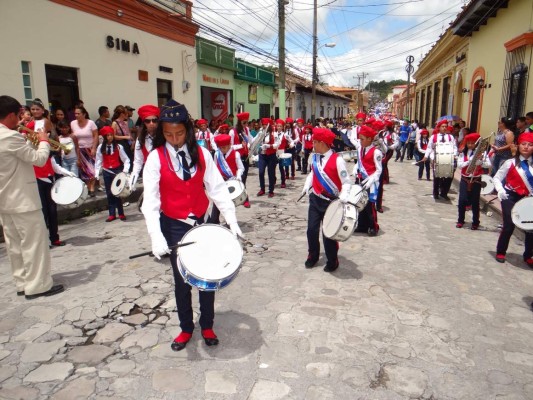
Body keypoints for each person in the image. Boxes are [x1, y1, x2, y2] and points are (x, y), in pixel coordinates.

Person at [141, 99, 242, 351]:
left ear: (187, 130)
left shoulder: (203, 153)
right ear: (161, 133)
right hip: (173, 224)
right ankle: (186, 328)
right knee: (181, 280)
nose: (174, 139)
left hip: (202, 222)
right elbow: (151, 202)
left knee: (208, 275)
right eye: (168, 134)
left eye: (179, 133)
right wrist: (156, 237)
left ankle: (207, 324)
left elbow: (217, 189)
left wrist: (232, 220)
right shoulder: (155, 158)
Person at [0, 95, 64, 299]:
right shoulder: (10, 137)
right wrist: (43, 141)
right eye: (18, 116)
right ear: (10, 115)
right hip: (23, 200)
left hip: (5, 200)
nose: (20, 120)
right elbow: (38, 159)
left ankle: (22, 282)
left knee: (15, 245)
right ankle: (38, 286)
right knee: (34, 244)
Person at [301, 128, 351, 272]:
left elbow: (346, 182)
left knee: (328, 234)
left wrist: (343, 197)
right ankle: (313, 255)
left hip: (331, 203)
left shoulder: (338, 160)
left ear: (322, 143)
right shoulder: (315, 158)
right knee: (311, 230)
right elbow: (312, 174)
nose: (313, 145)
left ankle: (332, 260)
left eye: (315, 142)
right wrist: (306, 186)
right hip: (315, 200)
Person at [493, 132, 533, 265]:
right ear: (518, 146)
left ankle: (528, 255)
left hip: (528, 199)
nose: (526, 147)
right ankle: (501, 251)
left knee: (530, 228)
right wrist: (500, 190)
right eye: (524, 144)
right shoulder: (510, 163)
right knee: (509, 226)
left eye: (530, 145)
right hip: (510, 196)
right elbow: (497, 178)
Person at [94, 126, 130, 222]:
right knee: (109, 193)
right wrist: (97, 173)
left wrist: (125, 170)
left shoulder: (118, 147)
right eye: (107, 135)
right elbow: (98, 160)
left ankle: (121, 213)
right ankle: (112, 214)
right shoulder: (100, 147)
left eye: (111, 135)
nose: (109, 137)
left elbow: (126, 159)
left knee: (118, 192)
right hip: (106, 171)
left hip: (117, 171)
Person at [456, 133, 491, 230]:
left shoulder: (482, 153)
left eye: (472, 143)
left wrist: (481, 162)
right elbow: (459, 165)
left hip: (476, 179)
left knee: (475, 202)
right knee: (462, 200)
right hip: (465, 178)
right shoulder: (463, 153)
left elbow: (488, 164)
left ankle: (476, 222)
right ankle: (460, 220)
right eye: (468, 143)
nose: (470, 145)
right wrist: (469, 161)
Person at [354, 125, 382, 236]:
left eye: (362, 139)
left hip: (371, 182)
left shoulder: (376, 152)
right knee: (360, 204)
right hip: (360, 179)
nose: (360, 141)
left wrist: (371, 180)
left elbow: (379, 170)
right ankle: (362, 225)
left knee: (370, 205)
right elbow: (359, 163)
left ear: (369, 139)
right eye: (359, 139)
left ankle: (373, 226)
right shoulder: (360, 149)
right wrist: (355, 169)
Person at [211, 133, 244, 224]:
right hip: (219, 182)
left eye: (225, 147)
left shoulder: (236, 154)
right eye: (221, 148)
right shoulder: (217, 154)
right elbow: (214, 167)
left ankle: (230, 222)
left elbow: (241, 167)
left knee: (229, 204)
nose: (223, 150)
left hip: (231, 181)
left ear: (230, 145)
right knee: (217, 201)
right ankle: (214, 220)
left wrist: (238, 176)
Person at [421, 120, 457, 200]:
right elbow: (429, 147)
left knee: (448, 177)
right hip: (436, 159)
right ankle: (436, 193)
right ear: (439, 127)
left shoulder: (450, 137)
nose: (444, 128)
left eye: (445, 126)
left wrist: (454, 154)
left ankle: (444, 193)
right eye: (442, 126)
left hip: (448, 158)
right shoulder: (434, 137)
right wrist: (426, 156)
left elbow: (454, 147)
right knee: (437, 177)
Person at [129, 104, 159, 190]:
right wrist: (133, 178)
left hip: (165, 175)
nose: (151, 123)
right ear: (144, 123)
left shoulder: (164, 137)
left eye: (154, 120)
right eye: (148, 121)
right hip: (149, 175)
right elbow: (138, 161)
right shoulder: (140, 139)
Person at [71, 105, 98, 196]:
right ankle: (88, 187)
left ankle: (92, 187)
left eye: (78, 113)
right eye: (75, 113)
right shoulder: (73, 123)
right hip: (79, 149)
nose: (76, 115)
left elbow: (95, 136)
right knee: (84, 170)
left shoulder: (91, 123)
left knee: (92, 170)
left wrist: (94, 148)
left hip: (90, 148)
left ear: (84, 114)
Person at [229, 112, 252, 207]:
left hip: (245, 157)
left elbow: (251, 140)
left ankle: (244, 198)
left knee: (244, 178)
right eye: (244, 123)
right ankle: (241, 198)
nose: (246, 125)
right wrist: (240, 145)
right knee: (237, 179)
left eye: (247, 122)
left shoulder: (246, 130)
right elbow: (229, 146)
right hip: (237, 158)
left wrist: (260, 136)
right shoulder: (232, 132)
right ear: (239, 122)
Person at [257, 118, 279, 197]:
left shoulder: (274, 133)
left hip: (271, 155)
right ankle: (262, 189)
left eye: (265, 125)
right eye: (263, 125)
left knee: (271, 173)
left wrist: (269, 146)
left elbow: (277, 145)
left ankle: (271, 190)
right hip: (262, 155)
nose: (264, 126)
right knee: (261, 172)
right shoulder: (260, 132)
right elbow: (257, 140)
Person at [111, 106, 134, 173]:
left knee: (130, 160)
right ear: (122, 114)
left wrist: (132, 141)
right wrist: (125, 137)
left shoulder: (125, 122)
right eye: (126, 113)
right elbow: (113, 136)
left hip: (127, 143)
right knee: (122, 161)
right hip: (120, 144)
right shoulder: (115, 123)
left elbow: (128, 133)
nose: (127, 115)